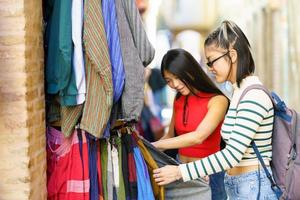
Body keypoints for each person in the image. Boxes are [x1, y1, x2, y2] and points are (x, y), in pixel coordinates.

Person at [153, 20, 278, 200]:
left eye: (212, 61)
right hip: (239, 186)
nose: (210, 68)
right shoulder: (238, 93)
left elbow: (232, 155)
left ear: (232, 55)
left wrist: (180, 171)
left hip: (253, 188)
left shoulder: (253, 96)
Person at [152, 48, 229, 200]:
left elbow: (198, 137)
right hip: (180, 171)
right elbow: (169, 135)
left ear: (190, 71)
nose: (174, 84)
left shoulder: (218, 100)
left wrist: (156, 145)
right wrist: (145, 148)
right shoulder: (178, 100)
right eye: (168, 81)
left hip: (209, 173)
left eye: (177, 77)